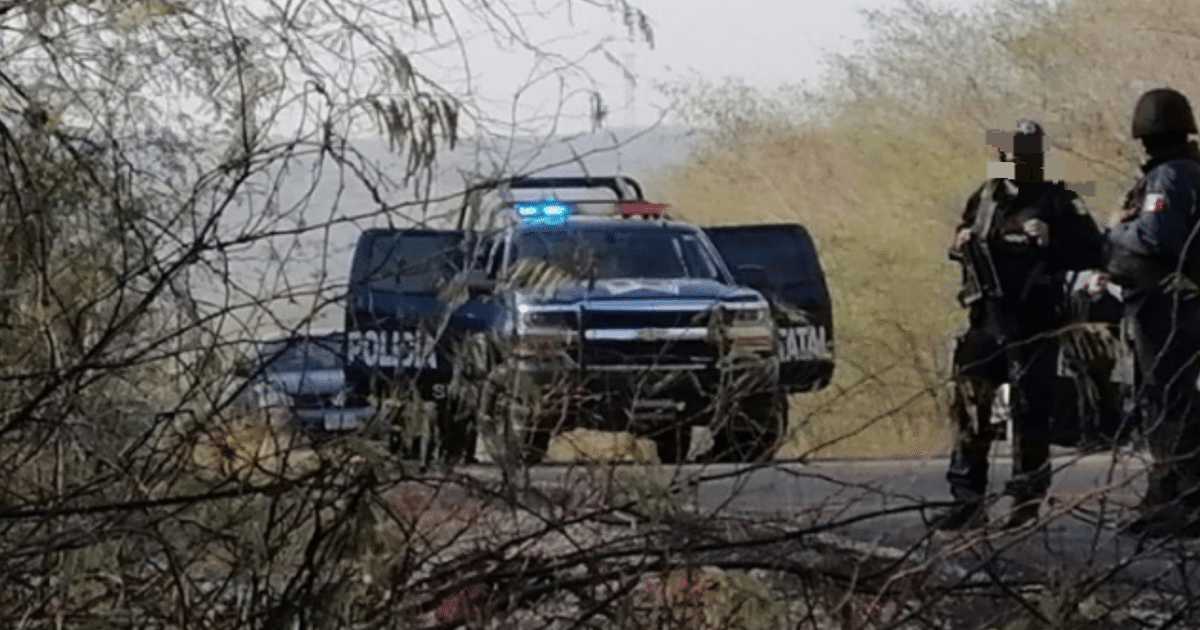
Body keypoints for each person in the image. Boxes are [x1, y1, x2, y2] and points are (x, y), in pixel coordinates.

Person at [936, 119, 1106, 531]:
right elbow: (963, 234)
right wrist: (961, 240)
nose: (1013, 164)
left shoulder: (1058, 200)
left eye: (1022, 157)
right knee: (970, 403)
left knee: (1030, 412)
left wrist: (1050, 238)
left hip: (1034, 318)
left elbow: (1094, 250)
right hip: (986, 317)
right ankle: (967, 498)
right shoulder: (986, 196)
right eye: (1008, 157)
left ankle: (1025, 503)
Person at [1102, 87, 1200, 538]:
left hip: (1167, 303)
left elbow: (1157, 235)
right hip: (1173, 299)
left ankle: (1185, 497)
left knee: (1168, 400)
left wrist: (1117, 231)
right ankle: (1165, 494)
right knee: (1164, 398)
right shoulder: (1186, 172)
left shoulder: (1168, 178)